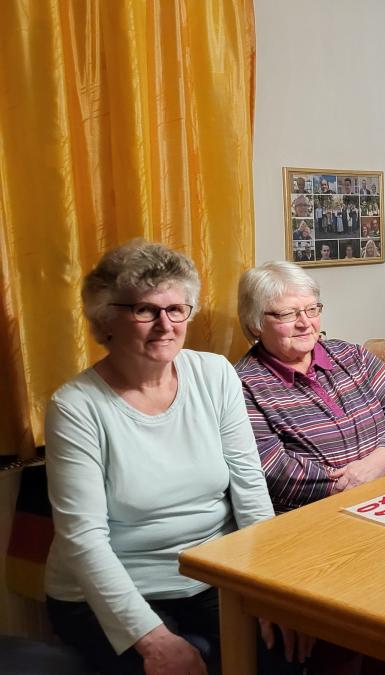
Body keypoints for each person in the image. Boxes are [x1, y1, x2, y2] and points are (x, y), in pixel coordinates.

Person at [44, 240, 306, 675]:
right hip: (111, 589)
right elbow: (83, 539)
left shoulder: (215, 374)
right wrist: (153, 639)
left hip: (212, 574)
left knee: (284, 650)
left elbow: (249, 487)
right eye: (145, 310)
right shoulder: (76, 406)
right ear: (107, 318)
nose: (165, 325)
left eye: (177, 309)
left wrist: (267, 591)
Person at [235, 261, 385, 513]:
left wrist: (378, 463)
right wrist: (349, 485)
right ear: (255, 323)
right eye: (288, 314)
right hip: (321, 516)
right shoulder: (243, 385)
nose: (305, 322)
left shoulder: (354, 356)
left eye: (312, 309)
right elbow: (273, 466)